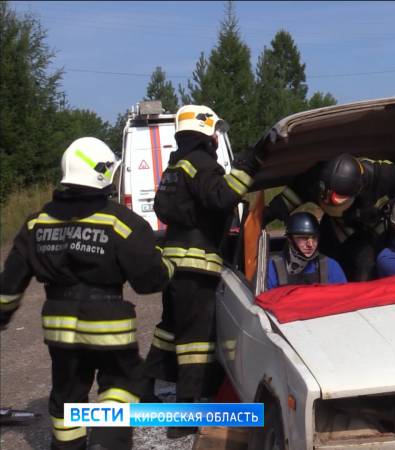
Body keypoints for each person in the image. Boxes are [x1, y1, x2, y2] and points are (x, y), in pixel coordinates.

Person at [0, 137, 174, 450]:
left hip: (59, 329)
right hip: (109, 325)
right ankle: (105, 443)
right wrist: (169, 267)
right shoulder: (120, 222)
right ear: (103, 173)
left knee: (67, 397)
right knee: (122, 384)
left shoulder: (36, 224)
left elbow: (9, 287)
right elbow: (149, 281)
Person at [142, 104, 265, 438]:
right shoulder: (200, 162)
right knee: (196, 340)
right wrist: (247, 167)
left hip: (174, 262)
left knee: (170, 329)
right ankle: (184, 416)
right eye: (214, 130)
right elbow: (221, 198)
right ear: (205, 129)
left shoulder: (176, 163)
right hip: (197, 264)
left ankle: (144, 388)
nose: (215, 136)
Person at [262, 153, 395, 281]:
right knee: (325, 269)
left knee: (367, 267)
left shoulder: (380, 176)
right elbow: (287, 199)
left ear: (358, 189)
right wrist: (265, 216)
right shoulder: (312, 179)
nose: (329, 202)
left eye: (338, 199)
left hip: (370, 233)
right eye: (324, 196)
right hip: (332, 232)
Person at [267, 212, 347, 288]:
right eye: (303, 238)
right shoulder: (273, 267)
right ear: (290, 239)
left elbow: (343, 298)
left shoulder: (330, 266)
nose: (310, 244)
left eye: (314, 238)